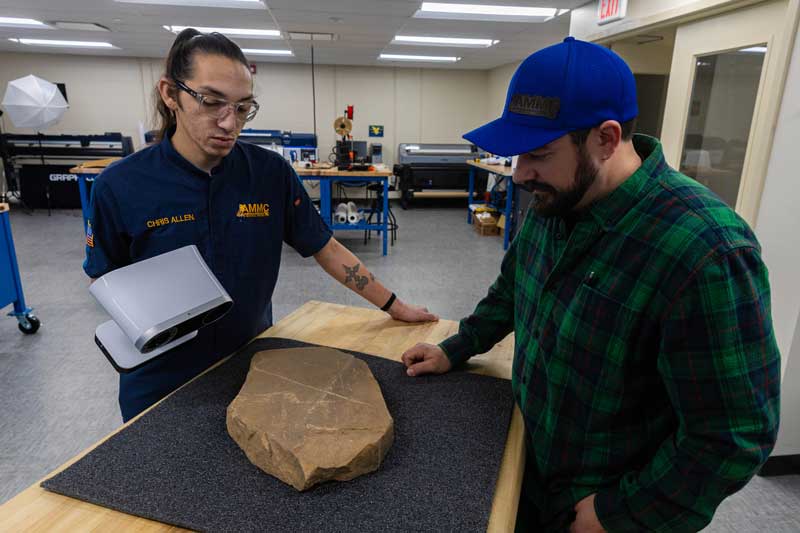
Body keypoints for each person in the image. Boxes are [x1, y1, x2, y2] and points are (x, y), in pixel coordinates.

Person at [401, 37, 780, 532]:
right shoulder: (553, 203)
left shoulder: (704, 251)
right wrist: (458, 347)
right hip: (528, 466)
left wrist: (620, 512)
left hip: (604, 506)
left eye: (537, 154)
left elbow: (734, 434)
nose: (519, 175)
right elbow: (512, 291)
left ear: (605, 138)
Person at [84, 29, 437, 422]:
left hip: (250, 367)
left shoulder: (269, 175)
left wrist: (394, 304)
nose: (228, 122)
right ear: (171, 95)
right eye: (212, 102)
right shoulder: (120, 185)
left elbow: (326, 247)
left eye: (242, 108)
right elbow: (103, 279)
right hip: (158, 382)